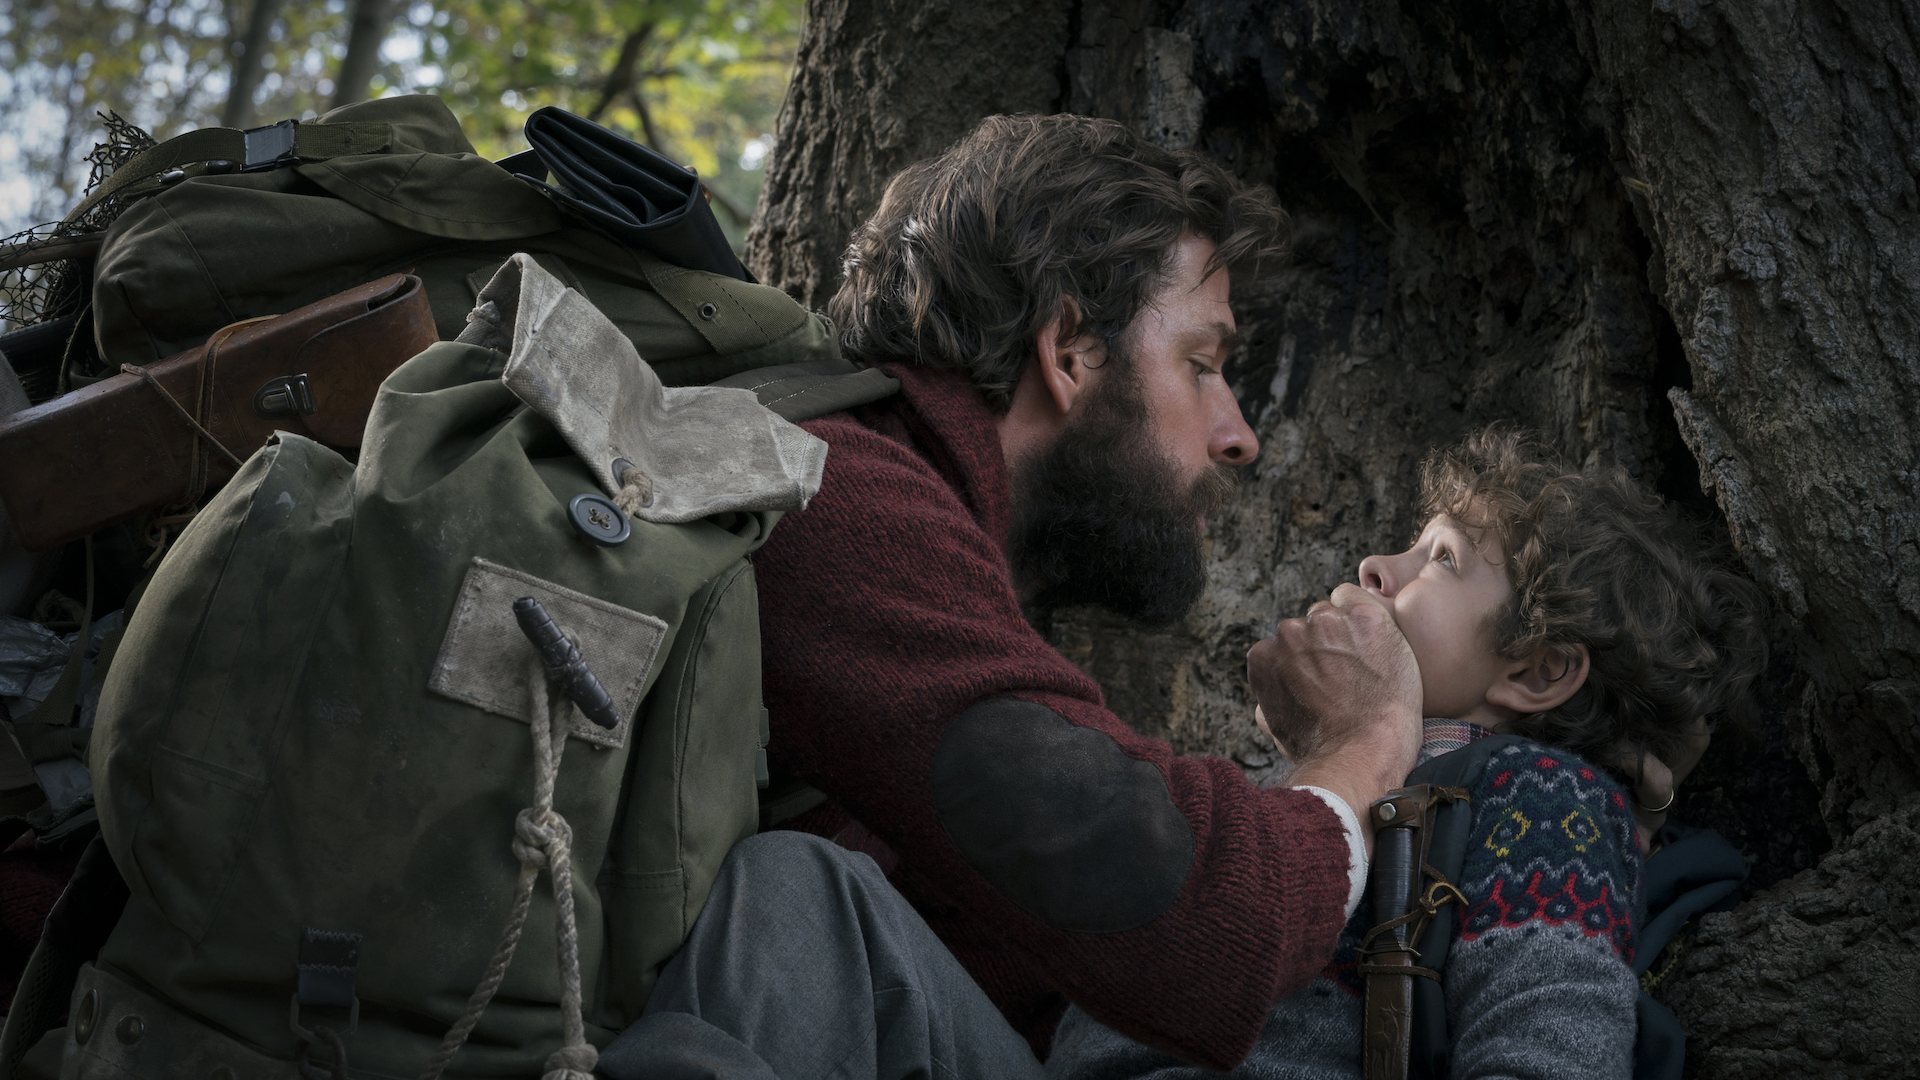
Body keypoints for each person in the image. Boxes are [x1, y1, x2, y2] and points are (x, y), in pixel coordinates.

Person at [742, 113, 1424, 1071]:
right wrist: (1364, 745)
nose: (1238, 436)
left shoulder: (923, 528)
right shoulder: (833, 498)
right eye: (1201, 364)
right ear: (1067, 351)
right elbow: (1195, 923)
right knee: (796, 897)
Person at [1044, 427, 1768, 1080]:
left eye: (1442, 558)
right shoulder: (1342, 781)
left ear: (1537, 671)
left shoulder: (1544, 799)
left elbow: (1549, 1052)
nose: (1373, 566)